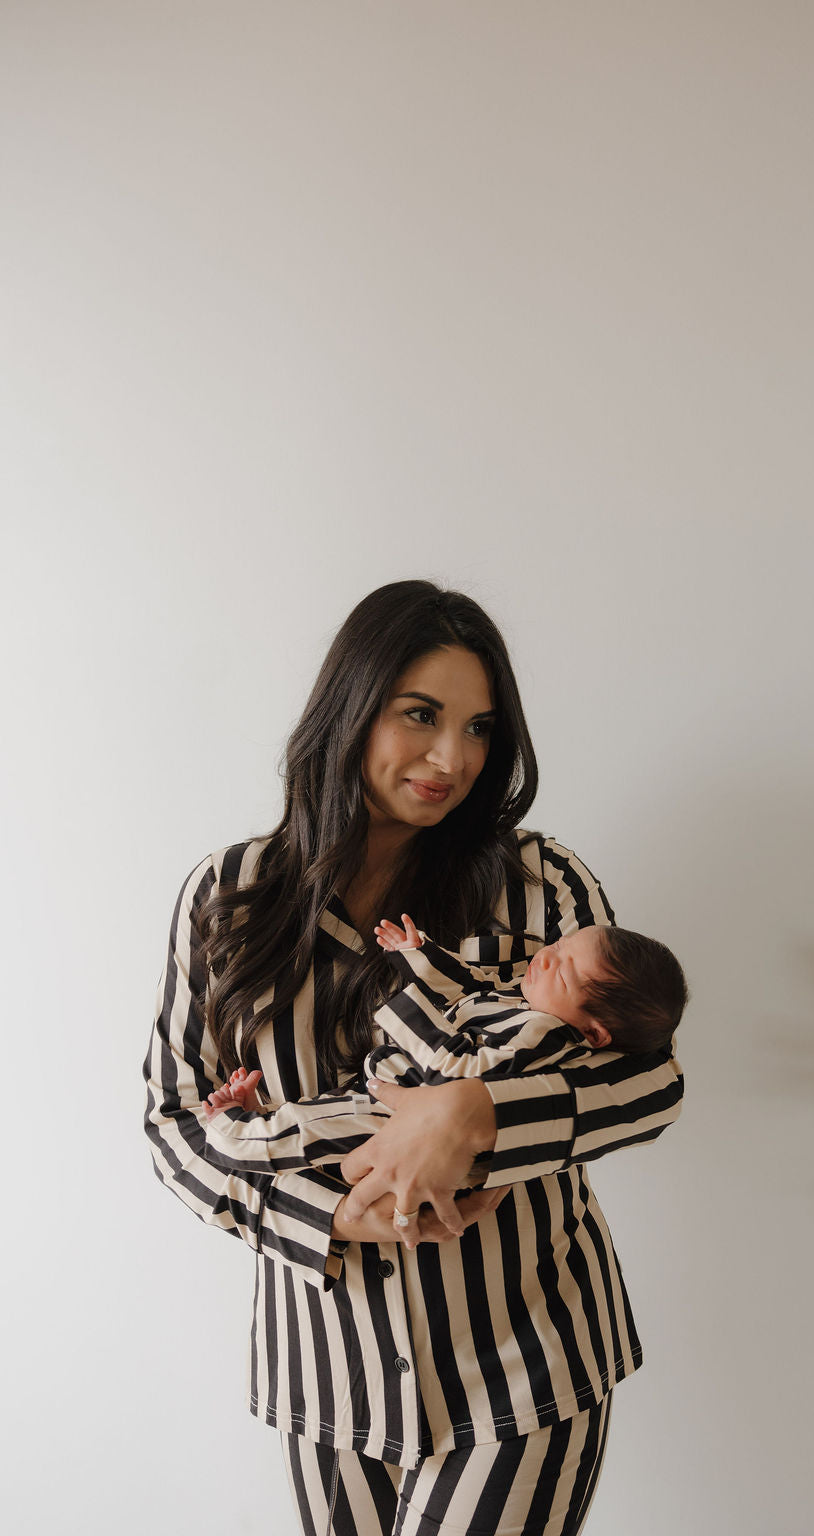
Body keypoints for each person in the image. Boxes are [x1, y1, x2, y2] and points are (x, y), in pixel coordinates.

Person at [144, 580, 685, 1536]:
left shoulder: (541, 885)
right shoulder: (227, 895)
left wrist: (473, 1116)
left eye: (479, 729)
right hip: (326, 1373)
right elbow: (176, 1124)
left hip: (526, 1361)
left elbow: (648, 1082)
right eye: (421, 716)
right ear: (351, 706)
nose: (452, 759)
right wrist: (336, 1216)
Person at [201, 915, 688, 1239]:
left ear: (594, 1033)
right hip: (385, 1100)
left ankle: (231, 1133)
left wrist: (408, 1012)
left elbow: (458, 1074)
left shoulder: (542, 1032)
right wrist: (419, 955)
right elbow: (470, 989)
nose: (544, 958)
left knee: (311, 1130)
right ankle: (257, 1116)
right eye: (557, 947)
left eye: (563, 973)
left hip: (394, 1115)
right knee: (316, 1119)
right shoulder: (524, 1005)